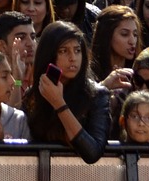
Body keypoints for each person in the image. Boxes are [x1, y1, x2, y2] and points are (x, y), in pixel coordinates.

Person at [22, 20, 110, 164]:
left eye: (77, 50)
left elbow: (92, 152)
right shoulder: (33, 95)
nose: (73, 58)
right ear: (49, 55)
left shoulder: (96, 95)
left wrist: (59, 104)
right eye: (63, 51)